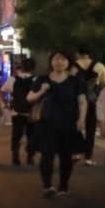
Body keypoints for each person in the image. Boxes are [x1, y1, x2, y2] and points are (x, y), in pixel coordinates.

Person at [27, 50, 89, 196]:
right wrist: (42, 91)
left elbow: (82, 102)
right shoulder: (42, 80)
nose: (59, 62)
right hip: (47, 122)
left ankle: (63, 185)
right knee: (47, 154)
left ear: (68, 62)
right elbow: (29, 98)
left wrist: (81, 119)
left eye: (63, 59)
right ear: (51, 61)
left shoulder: (76, 82)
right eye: (56, 59)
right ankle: (47, 186)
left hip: (68, 123)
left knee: (66, 156)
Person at [8, 56, 40, 167]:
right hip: (32, 113)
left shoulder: (13, 79)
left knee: (16, 135)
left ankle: (15, 157)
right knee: (31, 135)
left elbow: (2, 91)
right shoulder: (37, 80)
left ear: (22, 67)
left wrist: (7, 104)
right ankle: (30, 157)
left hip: (17, 112)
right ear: (34, 68)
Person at [75, 48, 102, 166]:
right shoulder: (98, 66)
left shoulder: (73, 66)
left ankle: (75, 153)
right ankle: (88, 158)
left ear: (77, 53)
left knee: (76, 127)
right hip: (92, 101)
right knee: (91, 130)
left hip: (76, 101)